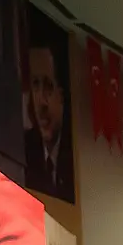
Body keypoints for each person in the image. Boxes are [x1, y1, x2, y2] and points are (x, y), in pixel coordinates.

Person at [23, 17, 76, 203]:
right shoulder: (26, 151)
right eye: (35, 85)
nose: (41, 101)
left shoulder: (72, 156)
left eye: (48, 86)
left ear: (61, 96)